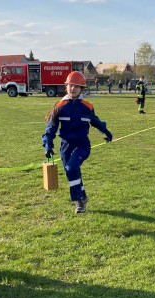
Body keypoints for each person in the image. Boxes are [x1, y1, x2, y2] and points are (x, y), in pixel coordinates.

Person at [42, 71, 112, 213]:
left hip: (82, 145)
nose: (72, 88)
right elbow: (50, 128)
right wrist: (48, 145)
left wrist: (106, 132)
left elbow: (96, 121)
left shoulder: (87, 106)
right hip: (65, 147)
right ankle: (83, 196)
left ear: (81, 89)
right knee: (72, 173)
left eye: (76, 86)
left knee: (71, 168)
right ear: (66, 87)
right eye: (70, 85)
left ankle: (78, 202)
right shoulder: (60, 106)